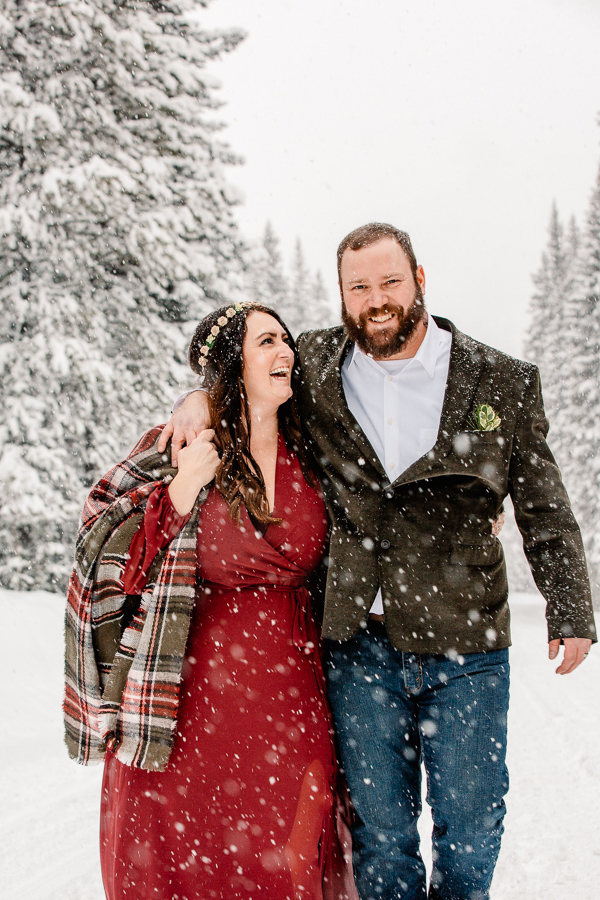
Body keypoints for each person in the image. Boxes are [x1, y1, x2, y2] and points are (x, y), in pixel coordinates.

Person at [162, 223, 597, 900]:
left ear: (419, 280)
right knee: (380, 833)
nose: (376, 300)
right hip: (358, 642)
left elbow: (543, 505)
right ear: (342, 294)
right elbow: (240, 370)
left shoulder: (502, 381)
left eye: (390, 281)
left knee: (472, 824)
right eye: (358, 287)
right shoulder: (313, 366)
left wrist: (569, 607)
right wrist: (196, 398)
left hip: (467, 640)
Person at [64, 301, 359, 900]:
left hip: (292, 689)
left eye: (285, 340)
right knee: (183, 843)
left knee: (290, 843)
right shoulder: (184, 442)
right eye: (266, 342)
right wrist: (179, 490)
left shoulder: (315, 449)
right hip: (186, 687)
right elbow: (99, 544)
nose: (285, 351)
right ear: (232, 364)